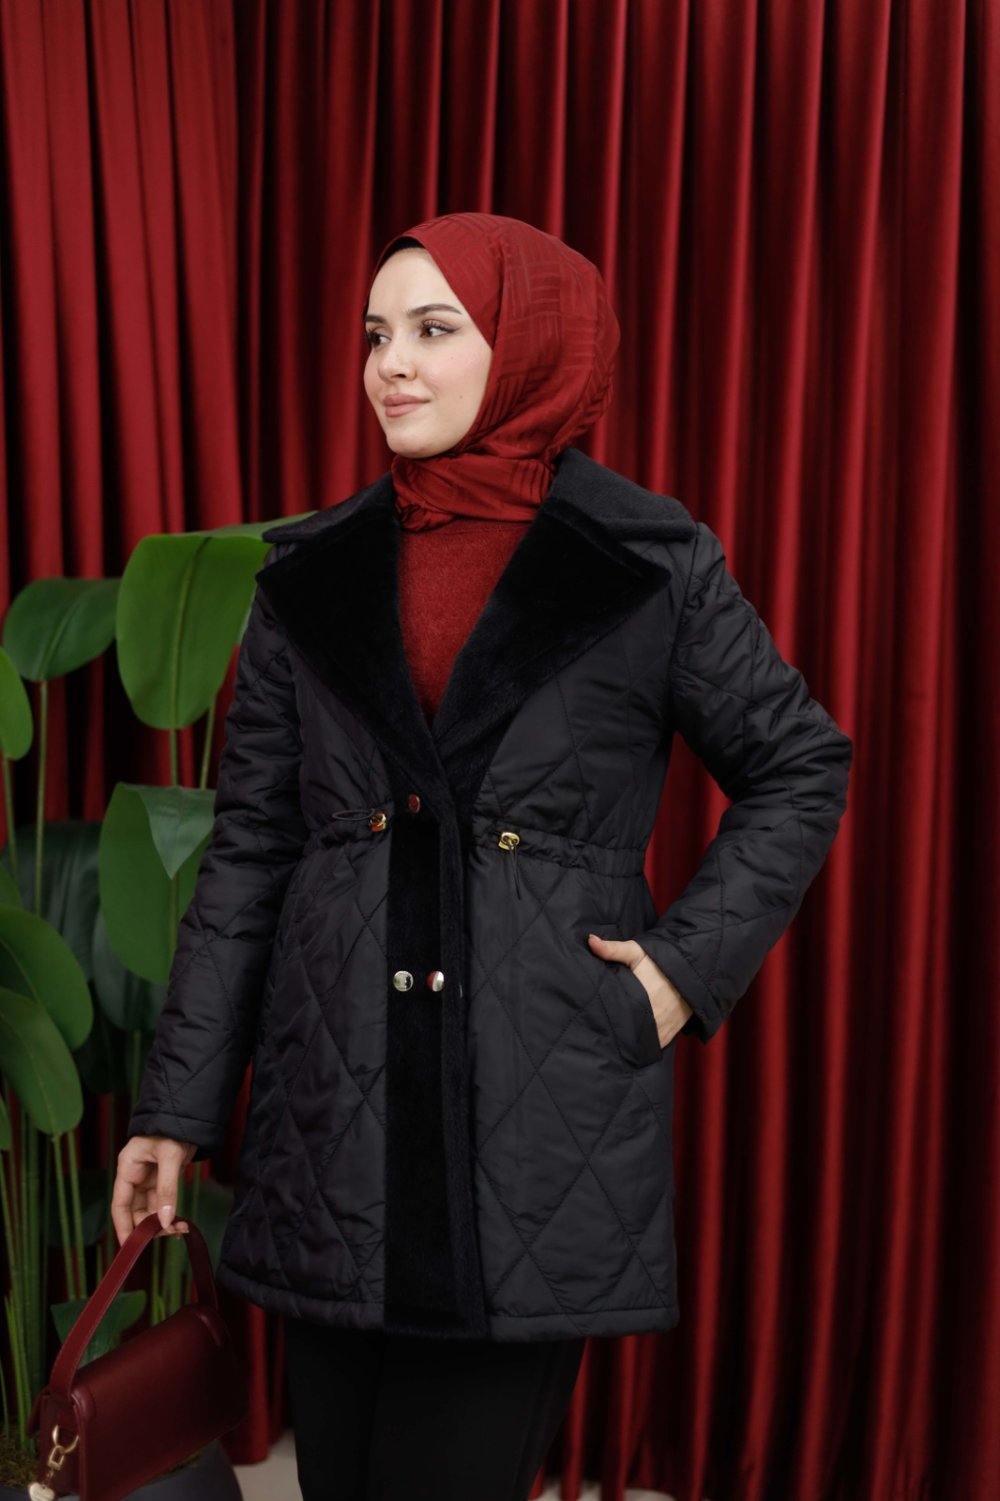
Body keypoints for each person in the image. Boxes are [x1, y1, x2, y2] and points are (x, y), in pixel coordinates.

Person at [112, 212, 853, 1500]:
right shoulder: (307, 575)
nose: (390, 365)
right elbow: (251, 851)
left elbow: (801, 765)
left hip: (537, 1112)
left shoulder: (649, 562)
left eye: (434, 329)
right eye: (375, 335)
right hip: (334, 1116)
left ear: (529, 348)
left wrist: (675, 976)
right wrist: (177, 1109)